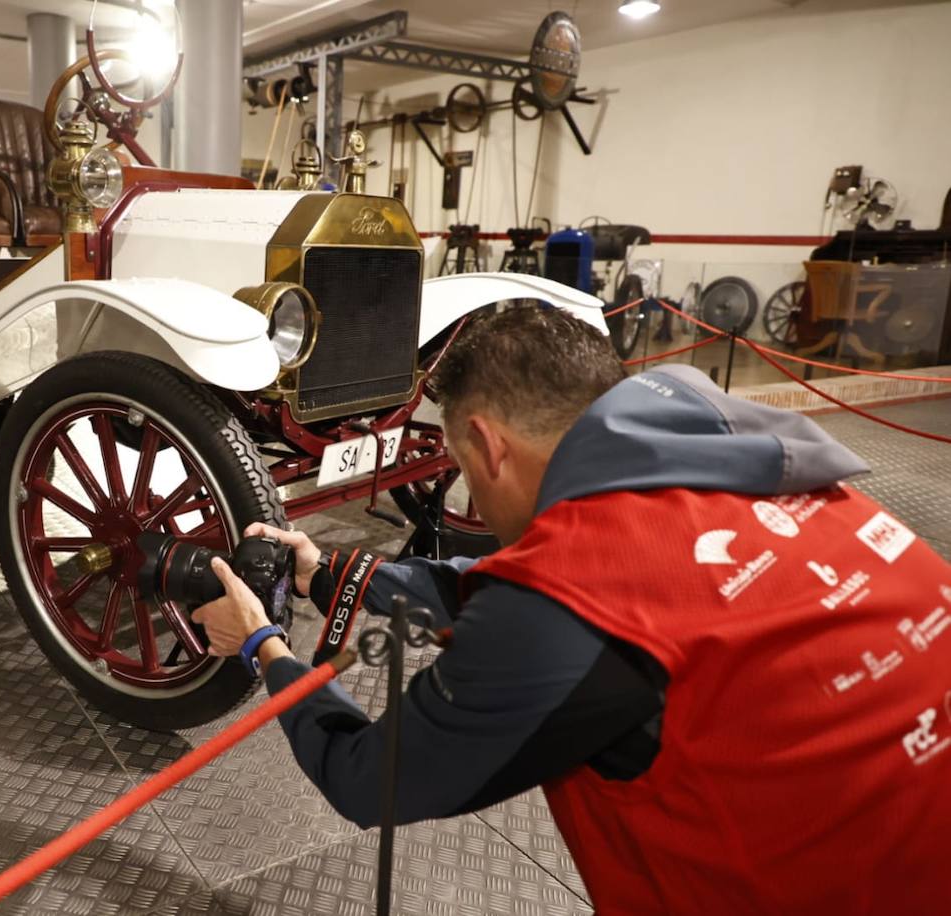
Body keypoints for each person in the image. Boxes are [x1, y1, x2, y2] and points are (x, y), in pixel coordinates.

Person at [192, 305, 951, 914]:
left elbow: (364, 778)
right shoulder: (763, 469)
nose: (471, 497)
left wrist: (263, 638)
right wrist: (326, 573)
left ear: (488, 447)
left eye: (462, 472)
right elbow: (530, 580)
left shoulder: (571, 601)